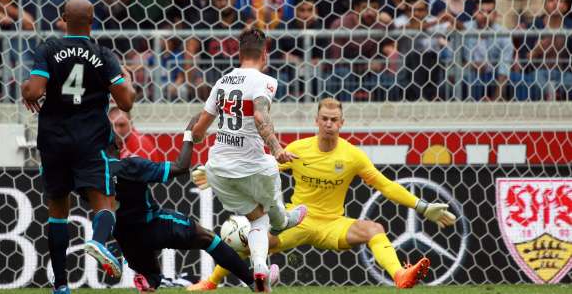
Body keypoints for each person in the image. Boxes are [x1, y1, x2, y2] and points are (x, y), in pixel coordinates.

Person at [188, 98, 457, 291]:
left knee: (374, 228)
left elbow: (385, 185)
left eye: (334, 120)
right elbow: (258, 169)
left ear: (342, 123)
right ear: (317, 121)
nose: (329, 124)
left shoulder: (353, 156)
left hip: (333, 224)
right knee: (250, 240)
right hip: (297, 219)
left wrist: (421, 206)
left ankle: (401, 276)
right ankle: (210, 283)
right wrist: (214, 177)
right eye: (324, 119)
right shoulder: (299, 149)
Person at [20, 0, 136, 294]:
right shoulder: (103, 54)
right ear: (92, 21)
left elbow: (34, 90)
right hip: (91, 140)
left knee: (58, 210)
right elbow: (125, 102)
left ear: (62, 19)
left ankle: (61, 286)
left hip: (54, 140)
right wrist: (125, 84)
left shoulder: (48, 49)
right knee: (105, 203)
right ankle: (97, 241)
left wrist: (27, 91)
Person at [191, 28, 307, 292]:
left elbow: (199, 132)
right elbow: (260, 116)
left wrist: (192, 135)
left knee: (257, 218)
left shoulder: (221, 82)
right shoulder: (264, 81)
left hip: (218, 168)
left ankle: (260, 272)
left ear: (239, 53)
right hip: (253, 165)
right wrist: (277, 149)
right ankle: (285, 221)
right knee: (276, 220)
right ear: (265, 53)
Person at [109, 115, 278, 292]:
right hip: (153, 224)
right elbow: (180, 167)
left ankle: (147, 281)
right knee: (207, 239)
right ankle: (254, 284)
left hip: (125, 236)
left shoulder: (92, 175)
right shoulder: (130, 166)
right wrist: (189, 134)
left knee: (152, 276)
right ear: (119, 146)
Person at [462, 0, 514, 101]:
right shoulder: (464, 29)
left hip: (494, 75)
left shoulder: (503, 33)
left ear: (495, 15)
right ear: (474, 13)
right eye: (481, 12)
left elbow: (504, 67)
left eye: (489, 12)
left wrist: (495, 98)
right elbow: (451, 57)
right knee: (470, 79)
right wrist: (470, 65)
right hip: (469, 74)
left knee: (517, 80)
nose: (485, 15)